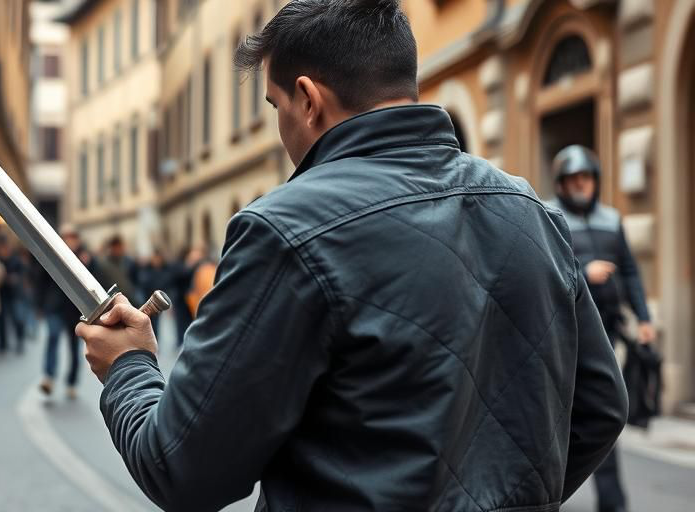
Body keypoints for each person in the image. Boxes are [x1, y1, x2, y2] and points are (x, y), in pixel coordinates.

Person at [75, 1, 628, 510]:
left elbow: (181, 469)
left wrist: (129, 367)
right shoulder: (530, 210)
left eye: (276, 105)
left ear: (309, 100)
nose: (279, 127)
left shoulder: (285, 229)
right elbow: (600, 408)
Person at [548, 145, 655, 512]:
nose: (581, 185)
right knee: (564, 414)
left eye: (587, 178)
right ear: (561, 183)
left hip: (606, 333)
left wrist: (644, 319)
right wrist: (584, 273)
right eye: (574, 179)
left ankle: (613, 502)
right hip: (565, 333)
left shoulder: (613, 220)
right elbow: (545, 272)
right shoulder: (550, 216)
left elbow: (630, 272)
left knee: (607, 408)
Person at [37, 226, 96, 400]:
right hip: (54, 307)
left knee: (73, 347)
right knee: (53, 337)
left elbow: (94, 281)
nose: (70, 241)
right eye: (66, 237)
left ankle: (71, 382)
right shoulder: (52, 254)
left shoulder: (86, 257)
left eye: (73, 237)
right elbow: (41, 280)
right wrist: (40, 305)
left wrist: (89, 263)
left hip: (76, 310)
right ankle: (49, 377)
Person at [0, 235, 26, 354]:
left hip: (15, 294)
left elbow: (22, 273)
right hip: (1, 294)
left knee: (17, 318)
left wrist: (15, 278)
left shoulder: (15, 259)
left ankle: (20, 341)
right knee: (0, 320)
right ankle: (2, 344)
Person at [100, 235, 139, 304]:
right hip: (116, 299)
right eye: (116, 247)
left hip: (131, 295)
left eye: (120, 247)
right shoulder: (104, 265)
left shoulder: (128, 261)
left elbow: (135, 277)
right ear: (111, 248)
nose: (119, 250)